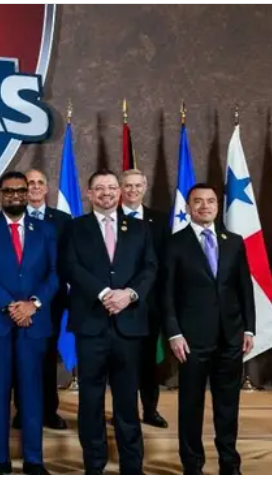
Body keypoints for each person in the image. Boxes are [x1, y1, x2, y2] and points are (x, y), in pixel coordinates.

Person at [59, 168, 156, 475]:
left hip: (129, 325)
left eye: (112, 188)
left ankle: (132, 468)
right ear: (90, 194)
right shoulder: (75, 228)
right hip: (91, 326)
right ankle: (94, 466)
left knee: (127, 401)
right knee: (91, 401)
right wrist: (103, 293)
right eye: (99, 188)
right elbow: (69, 266)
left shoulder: (139, 228)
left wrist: (129, 294)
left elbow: (150, 268)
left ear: (120, 191)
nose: (107, 193)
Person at [0, 172, 59, 475]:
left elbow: (54, 273)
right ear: (0, 194)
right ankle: (0, 460)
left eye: (21, 190)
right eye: (9, 191)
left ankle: (34, 460)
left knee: (32, 392)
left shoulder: (45, 230)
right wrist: (10, 306)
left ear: (29, 193)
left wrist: (33, 304)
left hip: (33, 322)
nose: (16, 195)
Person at [162, 184, 255, 475]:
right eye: (198, 201)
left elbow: (245, 288)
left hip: (231, 337)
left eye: (211, 201)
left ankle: (230, 465)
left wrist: (249, 329)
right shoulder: (174, 243)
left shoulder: (234, 242)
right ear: (188, 207)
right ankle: (192, 466)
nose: (205, 206)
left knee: (228, 406)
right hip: (191, 340)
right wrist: (174, 333)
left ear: (217, 205)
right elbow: (166, 294)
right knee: (191, 406)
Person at [8, 169, 70, 431]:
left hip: (50, 302)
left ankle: (49, 411)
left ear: (46, 188)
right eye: (29, 183)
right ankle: (23, 410)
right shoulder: (11, 217)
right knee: (20, 358)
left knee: (46, 358)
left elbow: (66, 263)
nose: (34, 187)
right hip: (17, 303)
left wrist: (42, 299)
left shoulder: (63, 220)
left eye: (39, 183)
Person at [120, 168, 171, 429]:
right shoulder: (110, 217)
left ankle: (150, 410)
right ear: (121, 188)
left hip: (149, 304)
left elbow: (164, 264)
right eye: (128, 185)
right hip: (117, 303)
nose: (133, 190)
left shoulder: (159, 220)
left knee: (148, 361)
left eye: (137, 185)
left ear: (145, 186)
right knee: (122, 363)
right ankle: (124, 412)